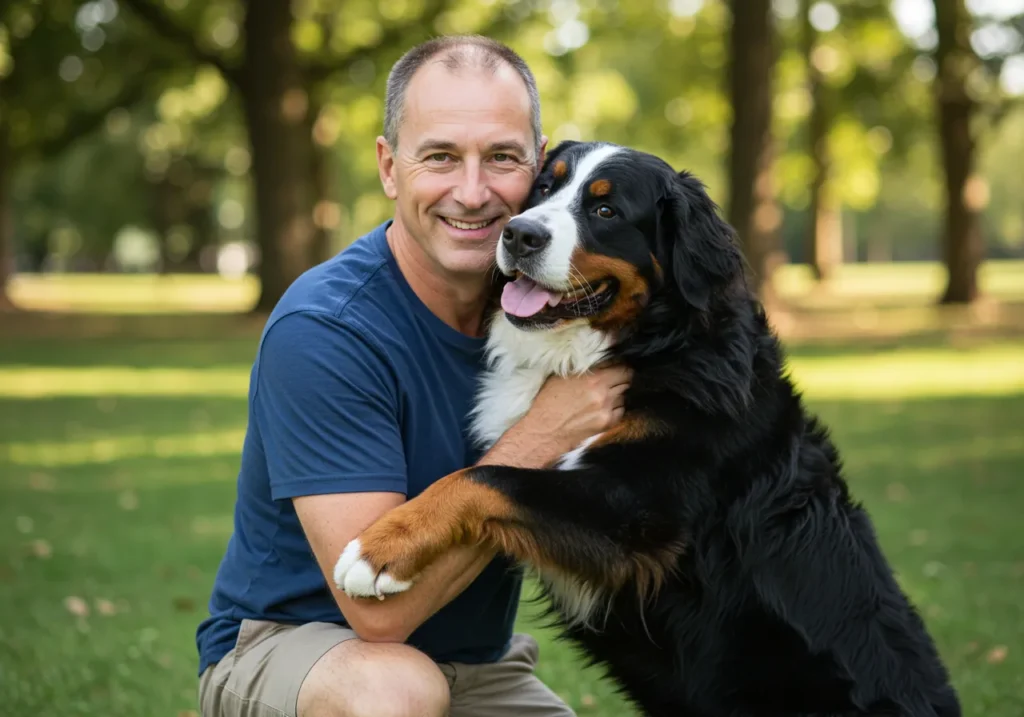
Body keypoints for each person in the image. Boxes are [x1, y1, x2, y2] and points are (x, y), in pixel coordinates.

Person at [196, 35, 632, 717]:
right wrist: (541, 434)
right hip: (305, 655)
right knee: (397, 688)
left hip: (475, 671)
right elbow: (378, 612)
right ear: (389, 166)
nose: (473, 191)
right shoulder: (326, 329)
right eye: (440, 157)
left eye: (502, 157)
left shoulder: (552, 308)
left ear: (541, 167)